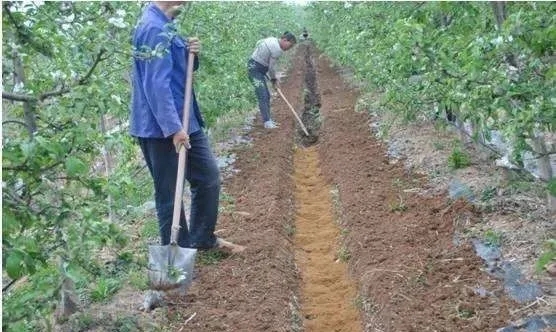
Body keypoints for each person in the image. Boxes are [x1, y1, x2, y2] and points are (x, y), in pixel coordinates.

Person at [130, 1, 244, 254]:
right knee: (170, 193)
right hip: (161, 128)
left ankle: (202, 239)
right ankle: (177, 256)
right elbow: (156, 86)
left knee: (208, 178)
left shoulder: (168, 25)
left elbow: (180, 72)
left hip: (186, 120)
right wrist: (173, 129)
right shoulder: (152, 28)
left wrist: (192, 53)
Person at [247, 32, 297, 129]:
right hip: (254, 70)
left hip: (257, 67)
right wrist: (274, 80)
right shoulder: (277, 49)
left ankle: (268, 119)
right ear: (284, 40)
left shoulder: (272, 39)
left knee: (267, 95)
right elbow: (271, 68)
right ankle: (267, 122)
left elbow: (259, 43)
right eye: (290, 46)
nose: (289, 49)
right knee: (263, 95)